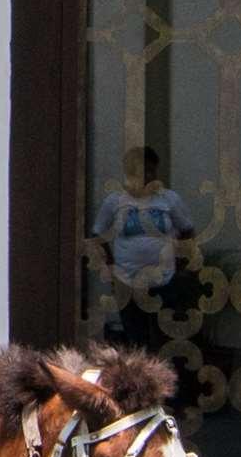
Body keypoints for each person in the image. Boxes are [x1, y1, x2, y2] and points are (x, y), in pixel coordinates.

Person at [84, 147, 202, 352]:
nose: (147, 177)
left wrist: (182, 265)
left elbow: (187, 231)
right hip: (128, 281)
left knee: (163, 338)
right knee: (135, 338)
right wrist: (110, 266)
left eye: (151, 171)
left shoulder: (169, 199)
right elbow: (98, 233)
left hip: (164, 281)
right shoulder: (115, 201)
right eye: (141, 171)